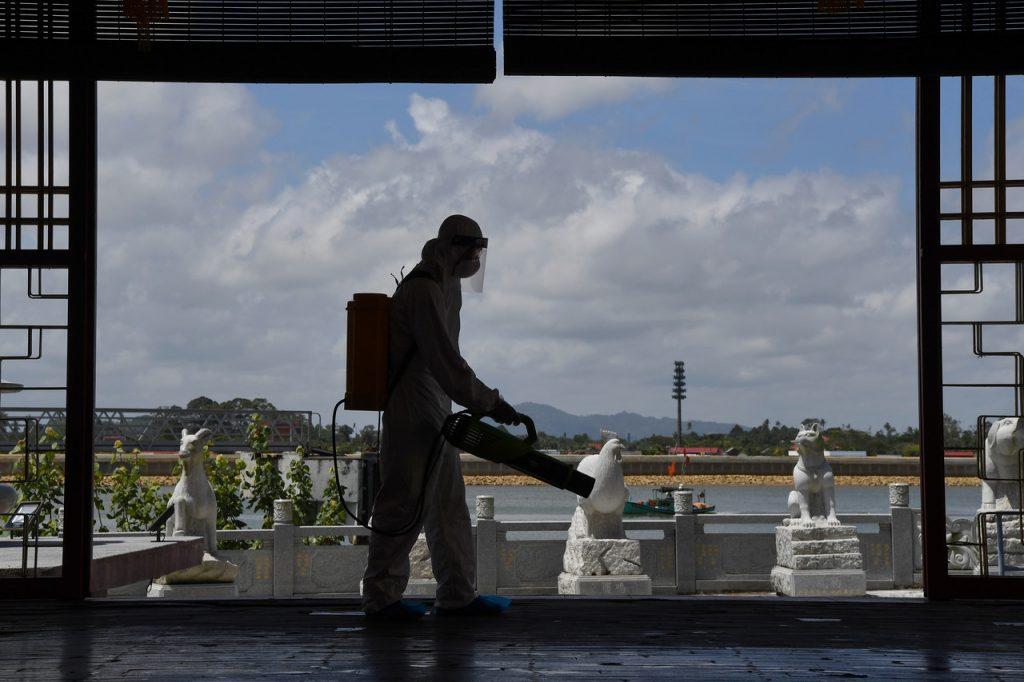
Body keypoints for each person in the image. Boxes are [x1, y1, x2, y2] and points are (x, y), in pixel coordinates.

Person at [362, 214, 520, 621]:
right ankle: (381, 598)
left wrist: (479, 400)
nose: (477, 262)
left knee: (448, 504)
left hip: (436, 402)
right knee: (403, 501)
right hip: (412, 404)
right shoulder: (422, 289)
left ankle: (457, 594)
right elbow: (448, 363)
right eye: (473, 252)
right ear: (457, 248)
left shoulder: (448, 285)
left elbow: (448, 365)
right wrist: (491, 403)